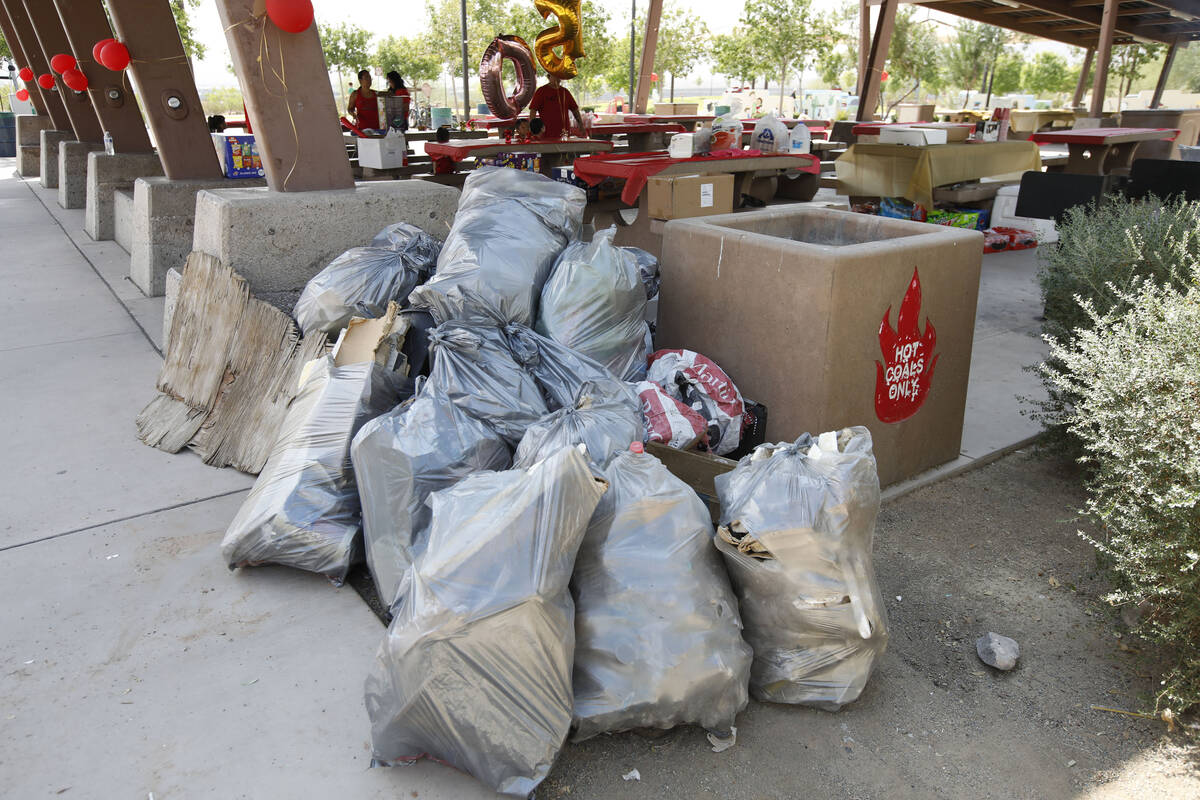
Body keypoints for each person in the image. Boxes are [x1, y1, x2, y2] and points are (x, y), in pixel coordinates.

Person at [529, 74, 584, 139]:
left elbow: (575, 109)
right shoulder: (541, 91)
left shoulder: (565, 92)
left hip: (564, 133)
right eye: (555, 75)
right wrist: (533, 128)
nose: (558, 78)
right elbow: (533, 110)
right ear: (548, 77)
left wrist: (580, 124)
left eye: (559, 76)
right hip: (546, 133)